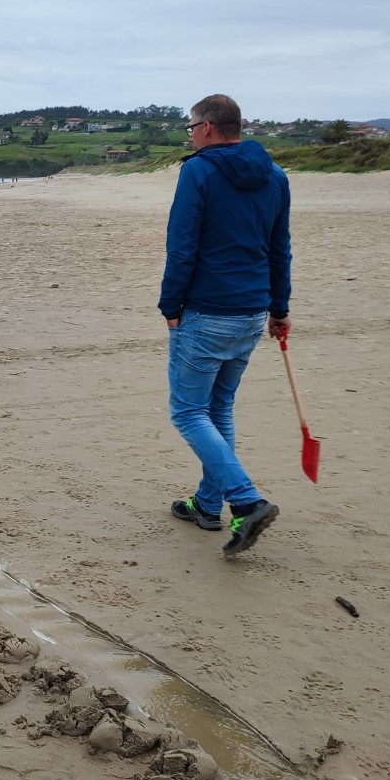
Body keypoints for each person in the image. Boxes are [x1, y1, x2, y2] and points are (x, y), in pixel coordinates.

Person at [159, 94, 291, 556]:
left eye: (192, 127)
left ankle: (246, 500)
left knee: (189, 412)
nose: (190, 134)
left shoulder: (199, 170)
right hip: (252, 312)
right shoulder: (275, 176)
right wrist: (279, 309)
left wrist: (170, 304)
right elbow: (280, 249)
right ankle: (208, 504)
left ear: (209, 128)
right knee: (219, 410)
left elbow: (182, 245)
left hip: (207, 311)